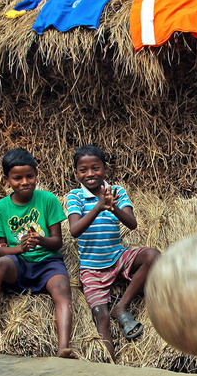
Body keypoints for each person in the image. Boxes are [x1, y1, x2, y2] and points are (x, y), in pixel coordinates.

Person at [0, 147, 76, 356]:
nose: (24, 182)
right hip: (18, 264)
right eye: (17, 178)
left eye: (29, 176)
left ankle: (63, 347)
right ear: (7, 180)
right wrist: (20, 248)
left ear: (36, 175)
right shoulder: (0, 208)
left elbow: (57, 242)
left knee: (62, 288)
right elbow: (0, 251)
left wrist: (40, 240)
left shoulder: (47, 200)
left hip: (47, 263)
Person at [66, 145, 160, 361]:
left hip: (118, 258)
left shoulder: (117, 191)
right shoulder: (75, 197)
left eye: (95, 168)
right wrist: (98, 207)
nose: (90, 174)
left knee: (153, 256)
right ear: (76, 173)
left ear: (105, 169)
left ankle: (122, 307)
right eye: (83, 170)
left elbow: (132, 223)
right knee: (101, 316)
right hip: (92, 269)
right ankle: (112, 364)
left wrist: (113, 207)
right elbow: (74, 230)